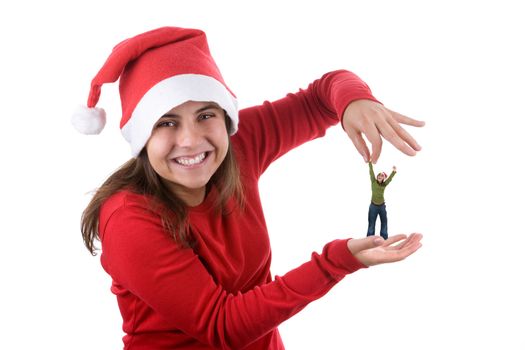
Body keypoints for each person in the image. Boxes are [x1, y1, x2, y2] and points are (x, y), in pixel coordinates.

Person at [73, 26, 425, 350]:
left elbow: (323, 95)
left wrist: (352, 100)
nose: (191, 140)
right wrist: (336, 261)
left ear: (226, 118)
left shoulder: (238, 147)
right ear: (140, 136)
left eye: (206, 115)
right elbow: (222, 326)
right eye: (166, 122)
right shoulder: (127, 219)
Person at [367, 162, 397, 240]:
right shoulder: (373, 181)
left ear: (383, 178)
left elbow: (389, 179)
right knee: (371, 224)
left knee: (384, 223)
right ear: (377, 177)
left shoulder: (384, 184)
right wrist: (370, 163)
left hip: (382, 206)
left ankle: (384, 240)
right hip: (373, 206)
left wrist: (393, 171)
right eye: (379, 175)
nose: (380, 176)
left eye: (382, 176)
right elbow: (371, 172)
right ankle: (369, 240)